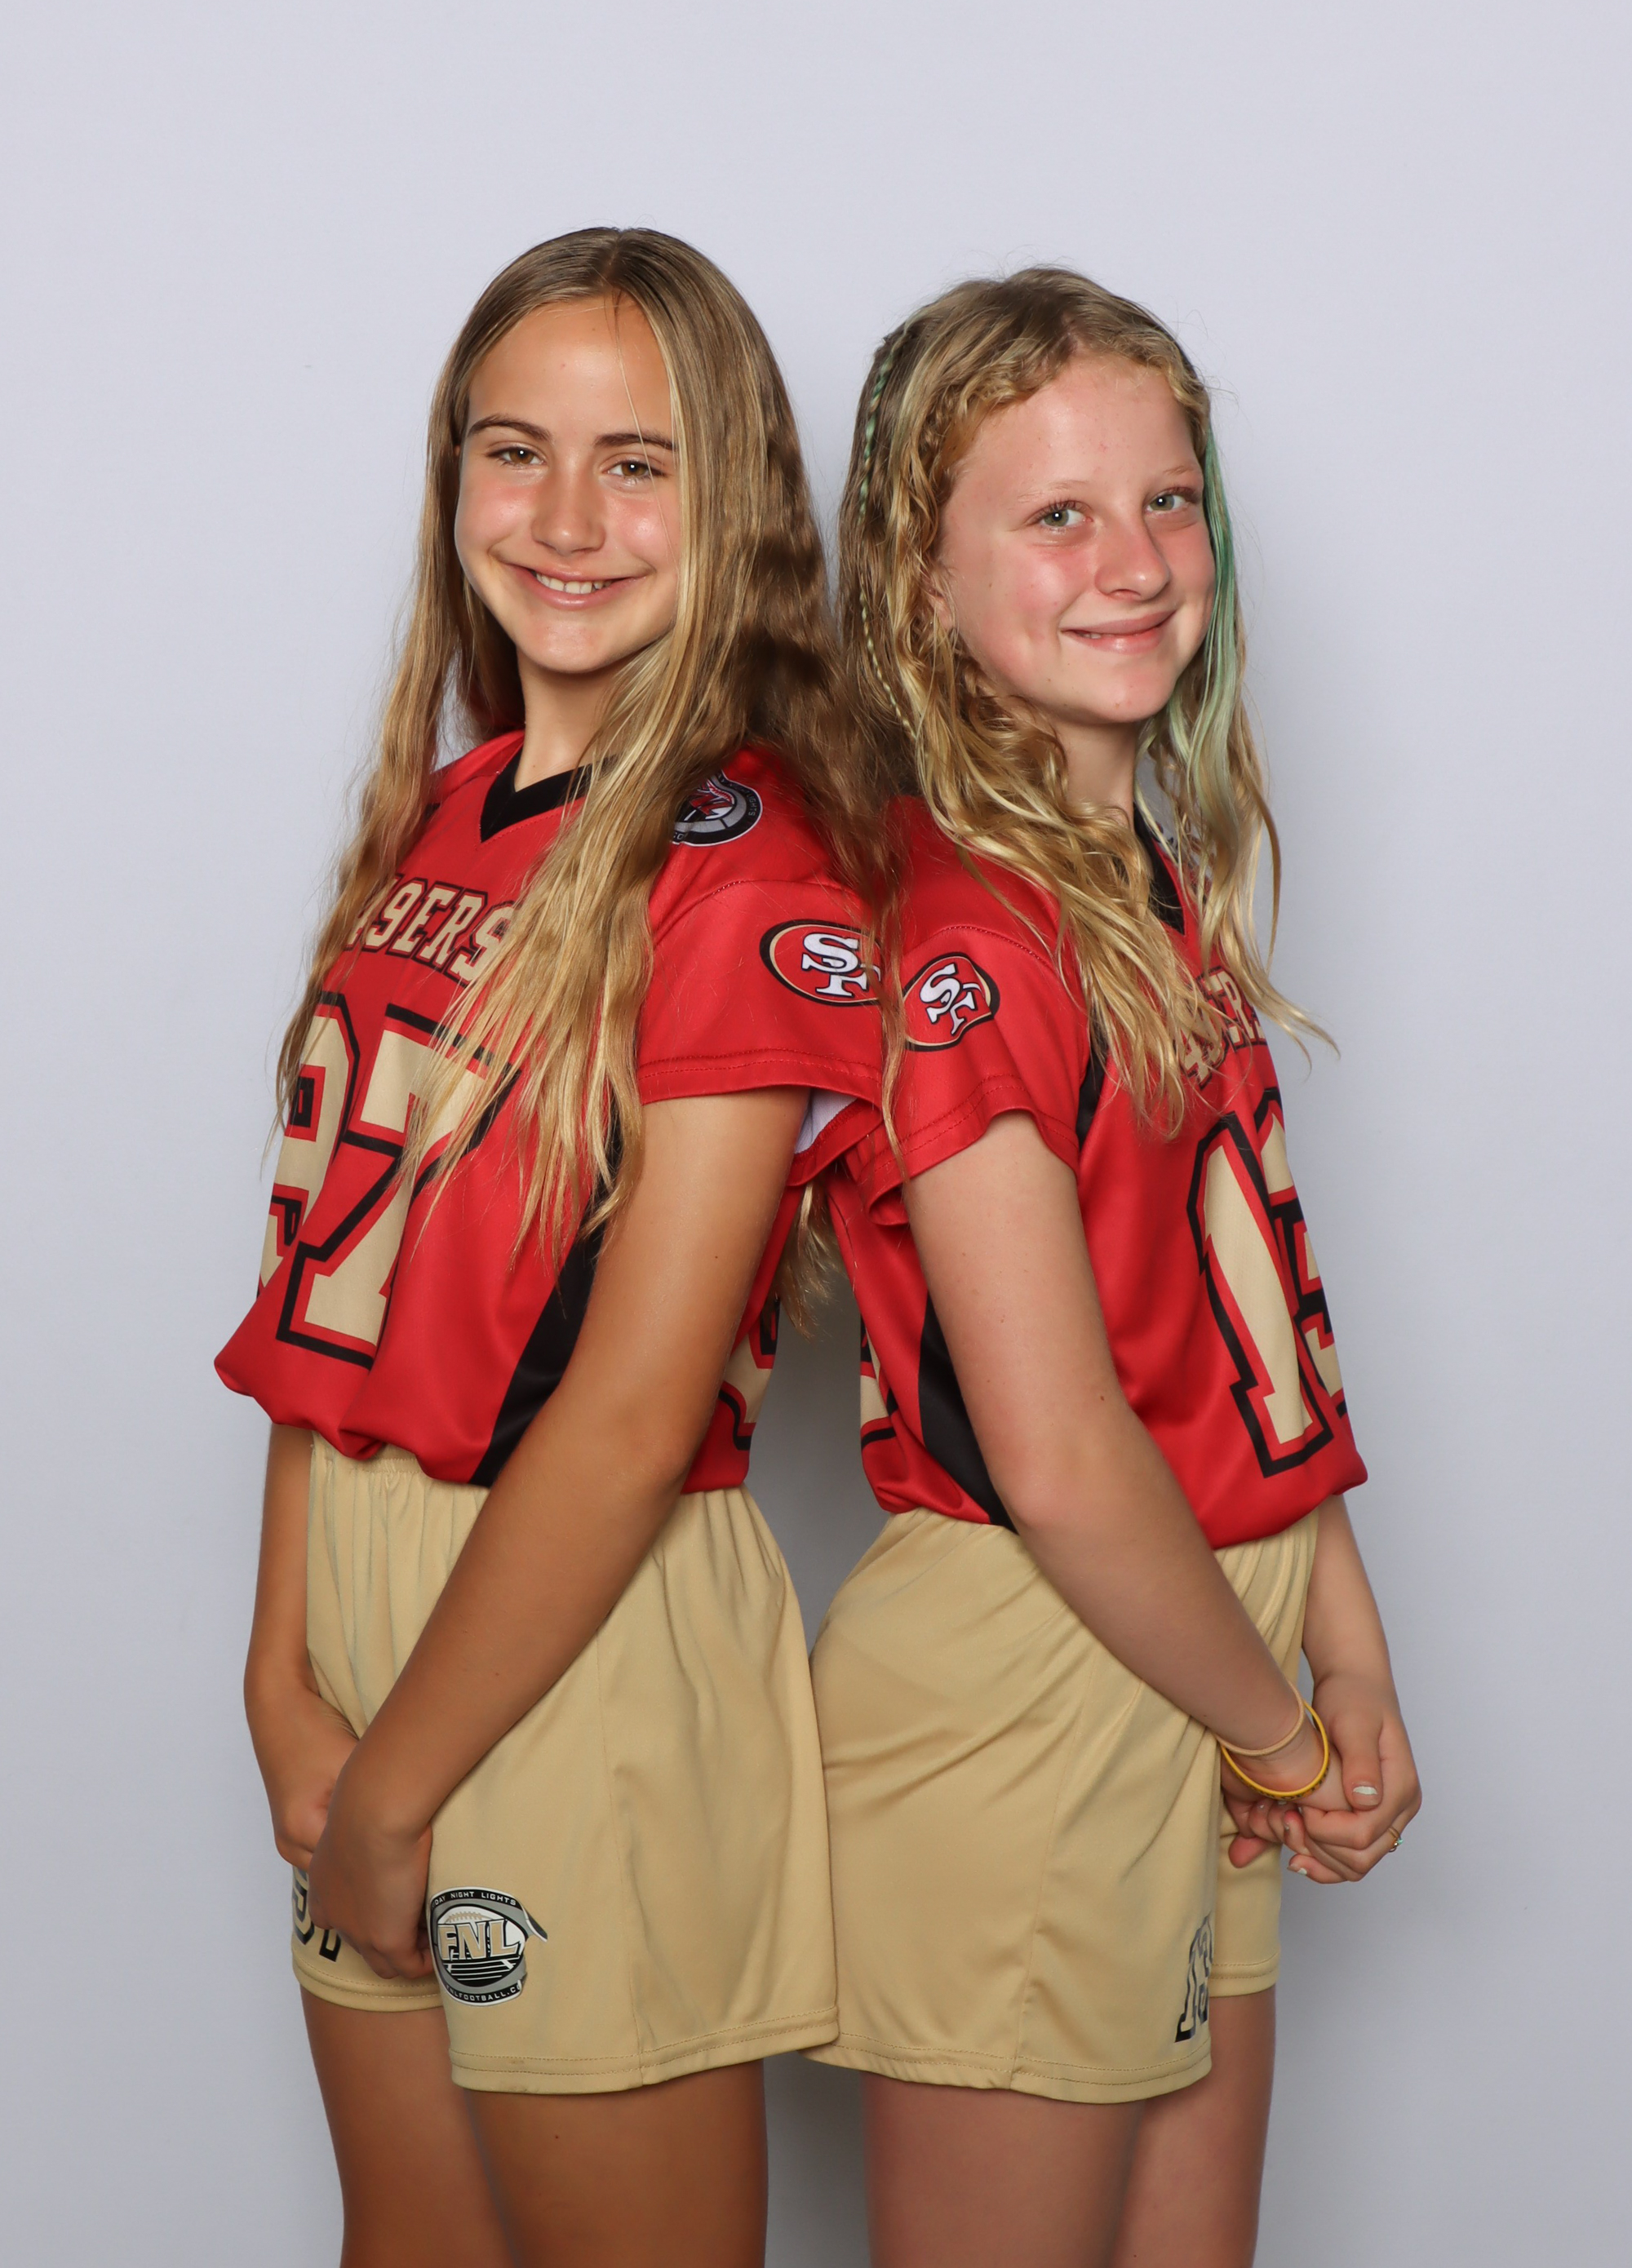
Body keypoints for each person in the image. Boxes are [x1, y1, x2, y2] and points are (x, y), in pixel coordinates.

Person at [218, 227, 887, 2268]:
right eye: (514, 451)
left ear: (735, 500)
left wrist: (394, 1785)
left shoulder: (748, 865)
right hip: (369, 1602)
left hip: (574, 1630)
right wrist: (280, 1670)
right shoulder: (447, 810)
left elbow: (629, 1407)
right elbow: (329, 1301)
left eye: (638, 462)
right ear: (452, 478)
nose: (567, 517)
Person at [807, 268, 1421, 2268]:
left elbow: (1233, 1340)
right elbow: (1063, 1451)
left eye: (1166, 500)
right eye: (1056, 514)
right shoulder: (961, 933)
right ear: (920, 578)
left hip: (1203, 1631)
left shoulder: (1147, 877)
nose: (1136, 562)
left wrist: (1343, 1640)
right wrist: (1278, 1729)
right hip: (1038, 1670)